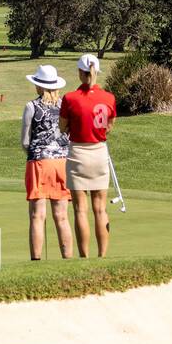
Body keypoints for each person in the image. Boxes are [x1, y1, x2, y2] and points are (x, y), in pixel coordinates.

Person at [59, 54, 117, 258]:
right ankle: (102, 256)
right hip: (99, 153)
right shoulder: (109, 97)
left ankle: (84, 257)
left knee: (80, 210)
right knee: (100, 210)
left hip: (78, 154)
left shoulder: (69, 98)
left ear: (80, 73)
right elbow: (109, 126)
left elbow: (62, 127)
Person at [21, 64, 74, 260]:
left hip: (39, 163)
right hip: (62, 163)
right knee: (61, 216)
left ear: (39, 86)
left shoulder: (31, 107)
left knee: (37, 216)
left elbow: (26, 141)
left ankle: (36, 260)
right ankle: (67, 259)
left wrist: (37, 152)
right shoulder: (64, 107)